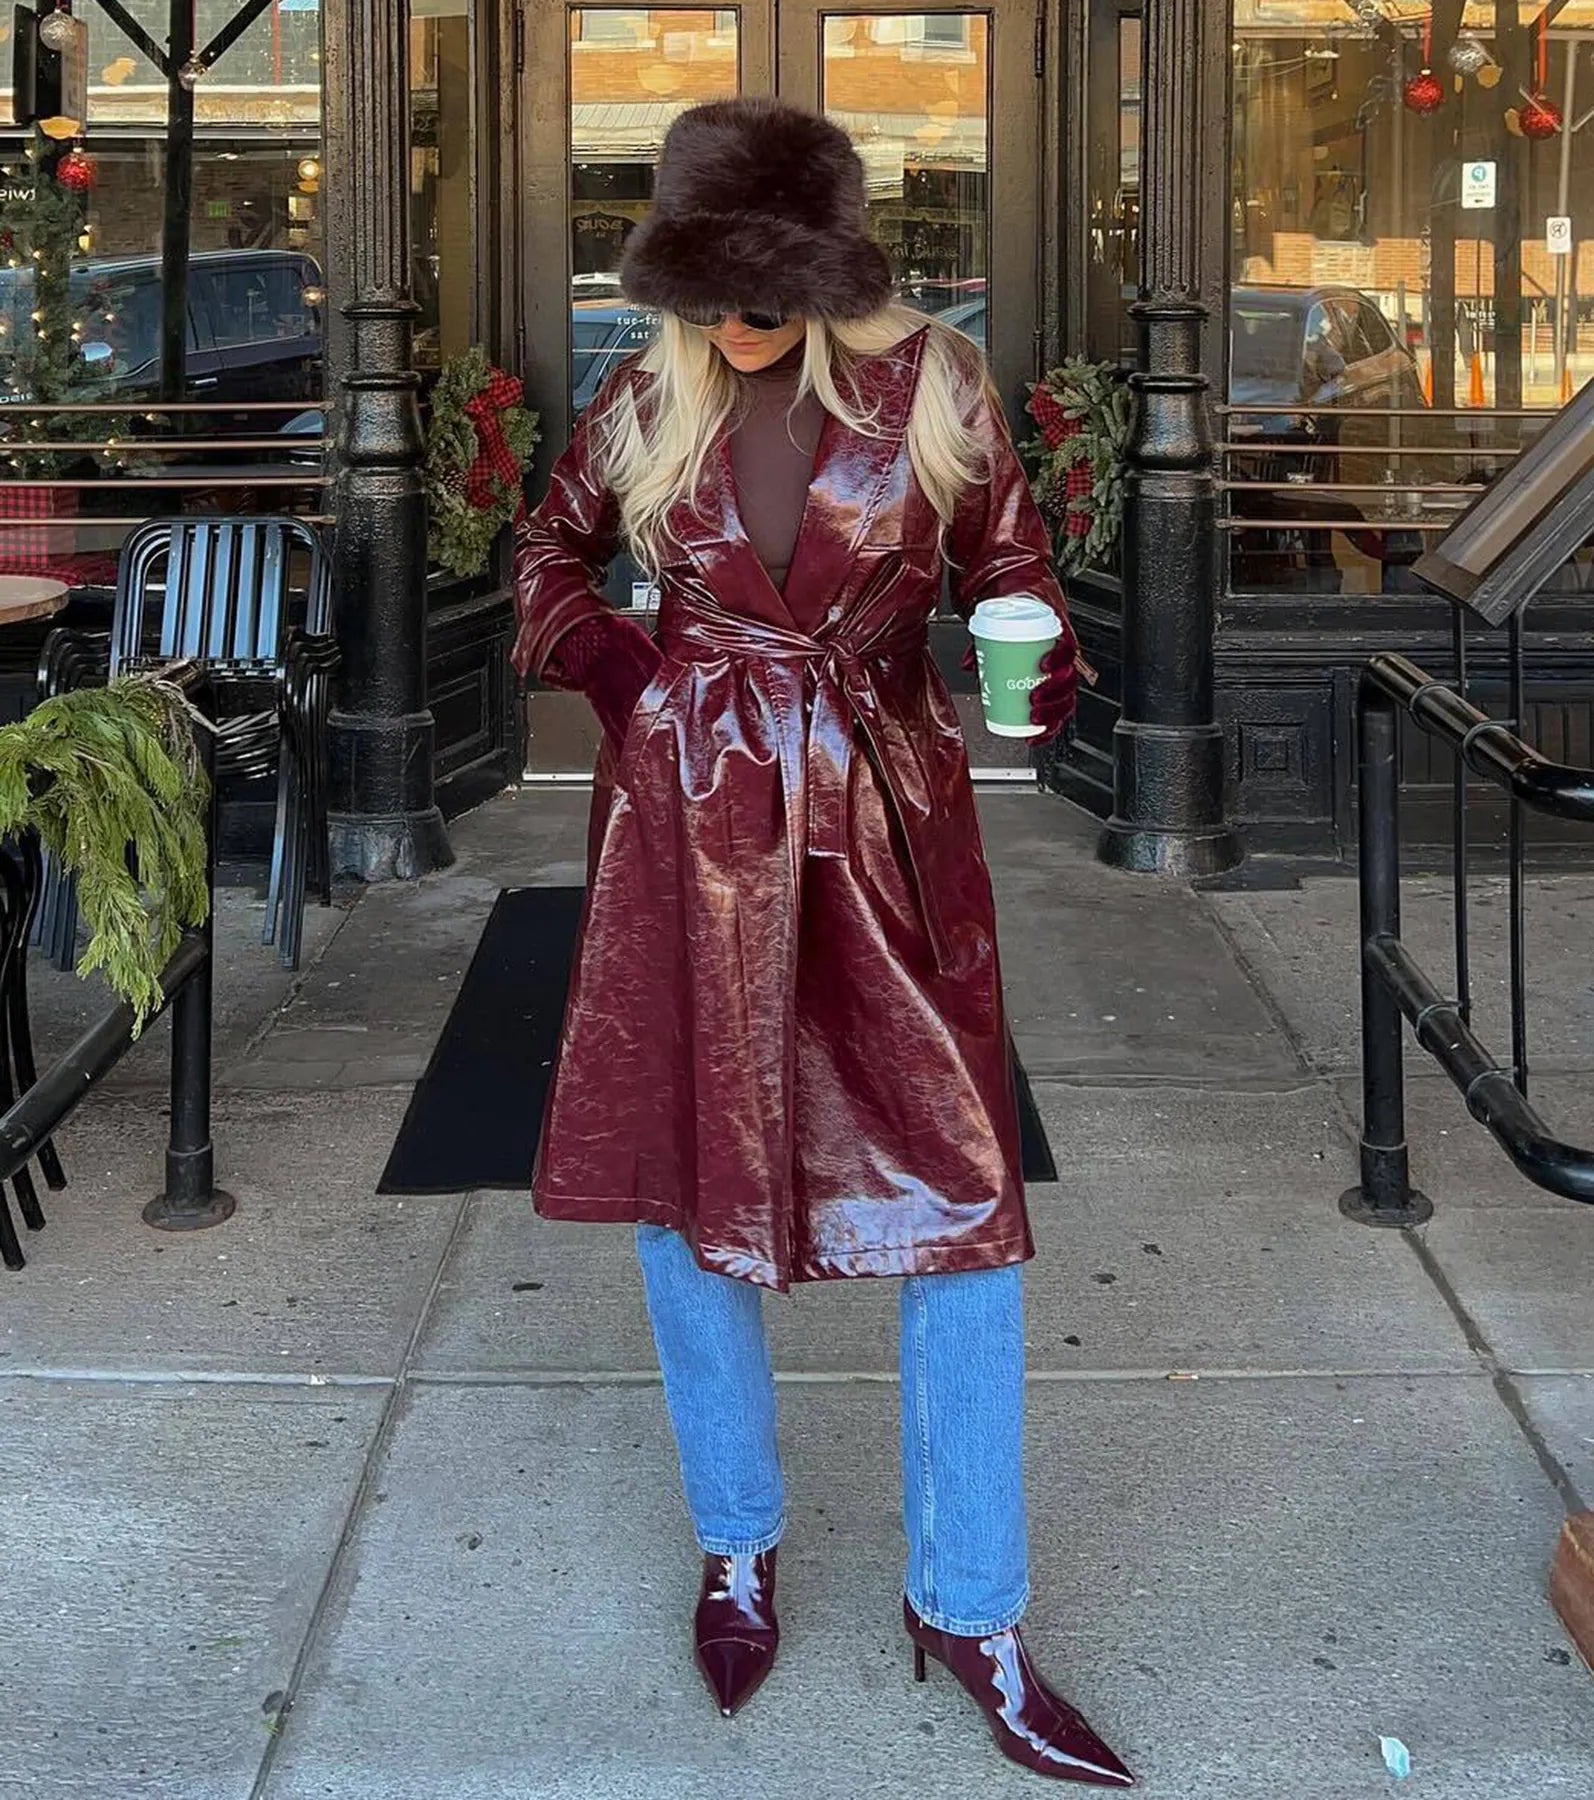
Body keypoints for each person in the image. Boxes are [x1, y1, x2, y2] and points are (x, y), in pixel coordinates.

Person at [511, 96, 1131, 1788]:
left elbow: (1010, 563)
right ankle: (738, 1541)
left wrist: (1036, 657)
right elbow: (549, 552)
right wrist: (614, 662)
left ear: (825, 271)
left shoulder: (935, 387)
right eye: (707, 285)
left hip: (886, 820)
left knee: (963, 1208)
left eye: (764, 285)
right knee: (686, 1182)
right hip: (688, 818)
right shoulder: (643, 398)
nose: (735, 318)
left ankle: (972, 1608)